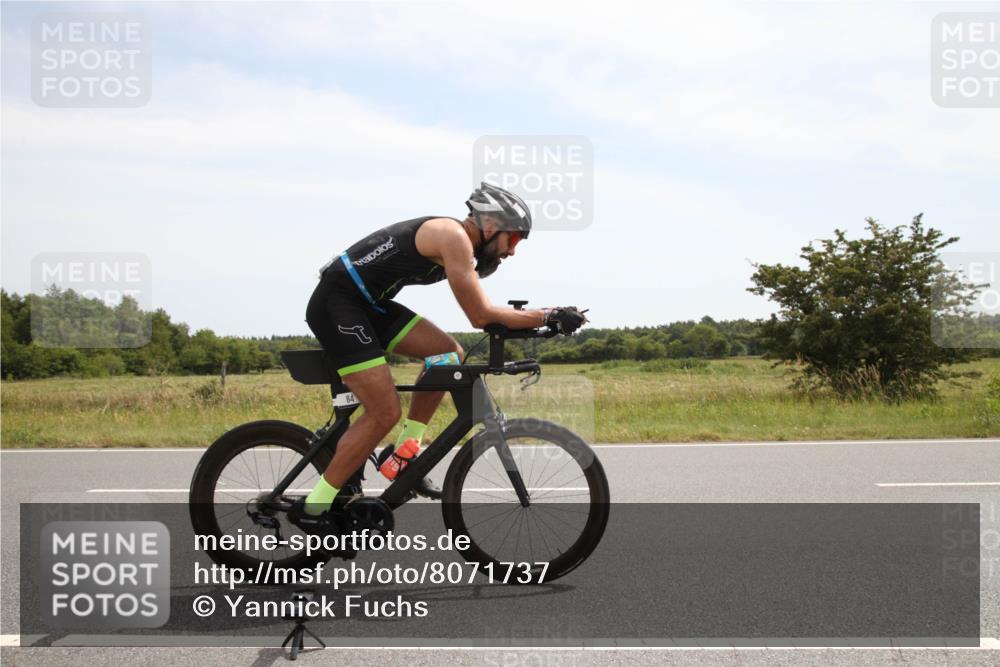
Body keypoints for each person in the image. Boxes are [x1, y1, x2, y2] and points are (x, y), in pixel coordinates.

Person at [289, 182, 587, 528]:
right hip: (338, 304)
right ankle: (315, 508)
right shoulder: (453, 237)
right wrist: (546, 314)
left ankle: (403, 455)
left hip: (367, 305)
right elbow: (480, 315)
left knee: (447, 354)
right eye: (515, 239)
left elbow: (486, 315)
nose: (512, 252)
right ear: (491, 225)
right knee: (384, 412)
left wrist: (537, 323)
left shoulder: (457, 241)